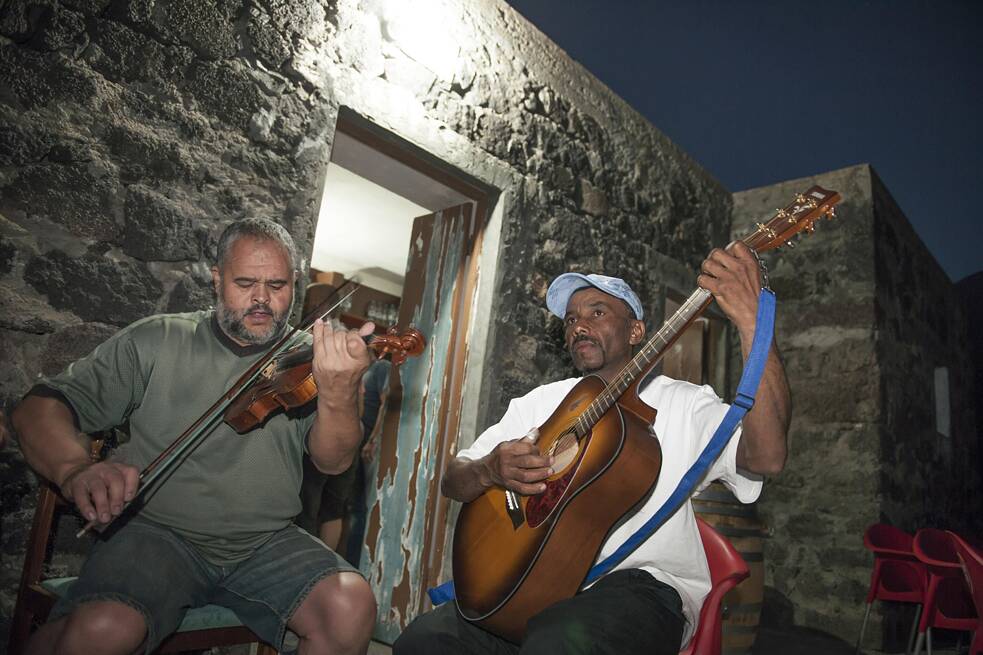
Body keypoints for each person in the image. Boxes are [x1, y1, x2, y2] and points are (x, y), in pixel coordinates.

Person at [394, 242, 790, 655]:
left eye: (597, 313)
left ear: (635, 331)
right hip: (531, 584)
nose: (579, 326)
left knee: (559, 643)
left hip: (641, 586)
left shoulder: (685, 403)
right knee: (424, 641)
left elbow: (767, 456)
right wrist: (489, 470)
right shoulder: (540, 402)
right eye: (571, 319)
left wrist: (752, 323)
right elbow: (454, 479)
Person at [12, 218, 377, 655]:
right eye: (245, 283)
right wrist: (74, 469)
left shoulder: (312, 360)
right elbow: (38, 408)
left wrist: (339, 394)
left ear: (295, 285)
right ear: (217, 279)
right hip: (156, 534)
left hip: (264, 542)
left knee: (350, 606)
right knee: (103, 629)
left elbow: (333, 461)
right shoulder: (159, 338)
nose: (262, 298)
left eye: (277, 285)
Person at [296, 357, 390, 557]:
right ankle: (323, 562)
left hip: (329, 442)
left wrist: (369, 439)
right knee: (333, 509)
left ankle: (309, 560)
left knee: (311, 508)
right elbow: (361, 409)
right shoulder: (357, 374)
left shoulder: (369, 369)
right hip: (349, 444)